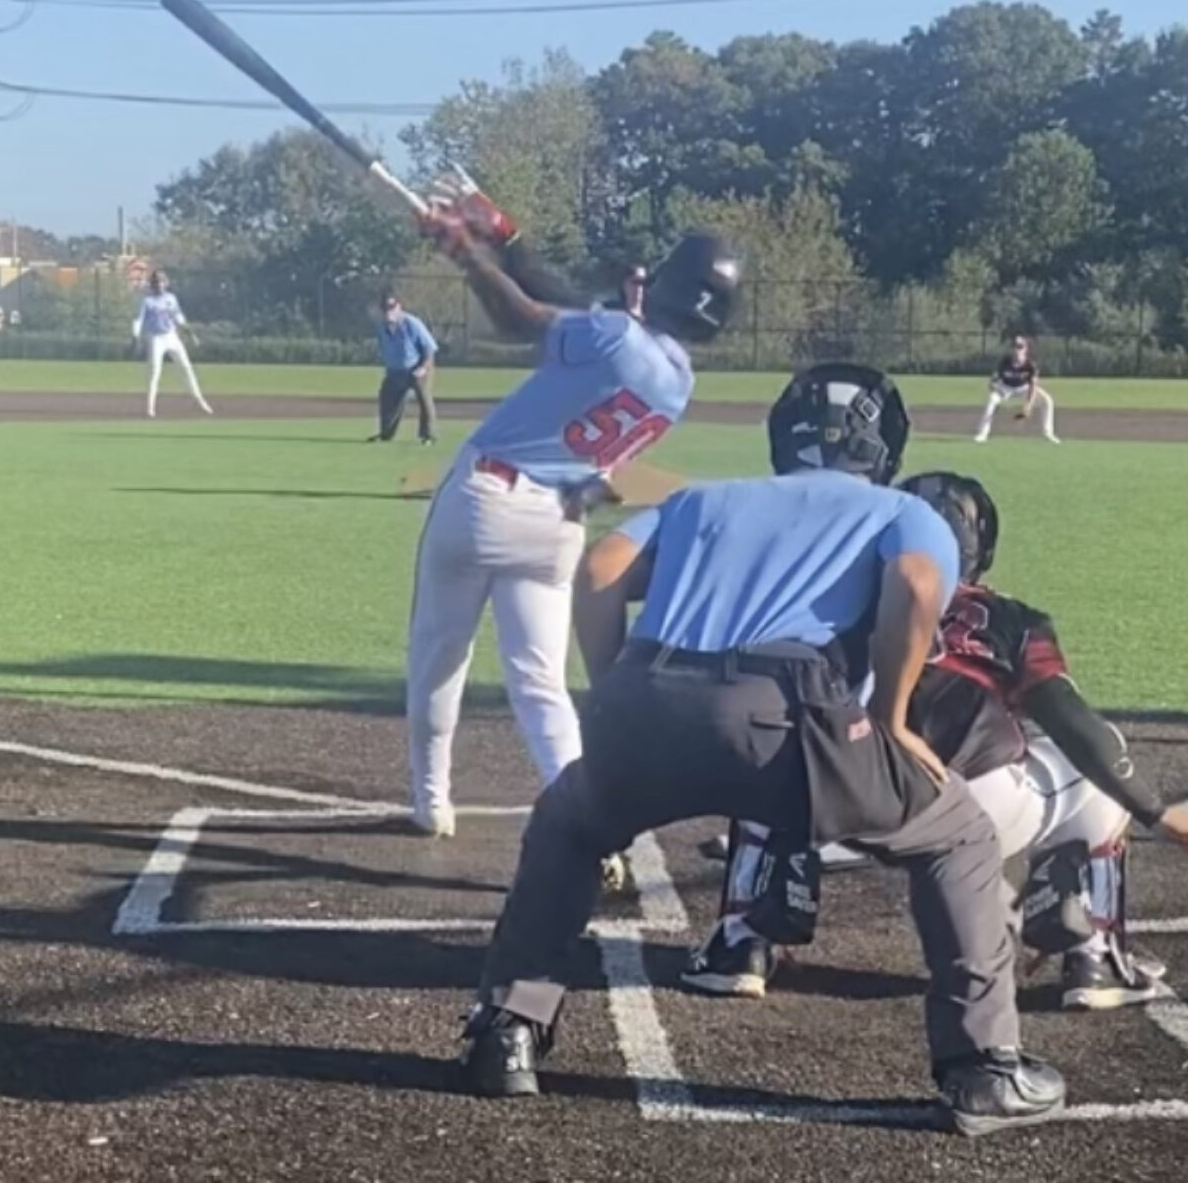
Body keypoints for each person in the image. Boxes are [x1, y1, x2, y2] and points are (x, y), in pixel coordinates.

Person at [455, 362, 1067, 1137]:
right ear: (887, 443)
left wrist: (614, 690)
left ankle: (505, 1034)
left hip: (652, 690)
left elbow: (601, 569)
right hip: (794, 719)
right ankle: (983, 1069)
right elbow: (914, 588)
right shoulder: (902, 514)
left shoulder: (699, 498)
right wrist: (896, 717)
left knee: (569, 824)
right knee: (958, 835)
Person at [682, 470, 1188, 1011]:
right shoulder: (1011, 618)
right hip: (974, 809)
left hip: (853, 796)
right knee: (1092, 762)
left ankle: (742, 944)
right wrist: (1156, 812)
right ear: (980, 546)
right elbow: (1068, 719)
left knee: (776, 755)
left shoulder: (834, 600)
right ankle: (1093, 954)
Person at [402, 167, 739, 839]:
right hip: (556, 523)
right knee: (541, 686)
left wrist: (465, 252)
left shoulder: (615, 337)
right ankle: (588, 820)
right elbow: (565, 307)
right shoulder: (676, 382)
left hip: (483, 495)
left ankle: (432, 802)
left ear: (669, 285)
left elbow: (519, 316)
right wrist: (507, 238)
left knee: (440, 655)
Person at [131, 270, 212, 419]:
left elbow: (178, 317)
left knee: (186, 367)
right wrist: (136, 338)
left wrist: (190, 333)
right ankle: (150, 407)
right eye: (156, 282)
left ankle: (200, 401)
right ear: (152, 285)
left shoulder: (171, 298)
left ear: (166, 283)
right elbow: (138, 320)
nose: (159, 285)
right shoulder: (147, 301)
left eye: (161, 282)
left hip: (171, 336)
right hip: (156, 338)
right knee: (154, 372)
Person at [371, 296, 438, 444]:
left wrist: (423, 368)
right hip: (395, 370)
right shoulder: (381, 327)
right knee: (387, 398)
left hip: (417, 367)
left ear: (399, 307)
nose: (389, 312)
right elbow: (384, 347)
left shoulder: (412, 324)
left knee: (424, 398)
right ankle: (385, 435)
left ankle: (428, 435)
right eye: (385, 309)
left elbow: (429, 348)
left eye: (392, 308)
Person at [974, 335, 1058, 444]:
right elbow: (993, 381)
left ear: (1026, 349)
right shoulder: (1005, 362)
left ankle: (1048, 434)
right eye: (1014, 346)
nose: (1017, 349)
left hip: (1023, 388)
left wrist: (1028, 405)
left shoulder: (1030, 365)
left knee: (1047, 400)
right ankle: (983, 433)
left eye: (1020, 346)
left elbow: (1033, 385)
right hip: (1005, 388)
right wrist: (994, 388)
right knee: (992, 399)